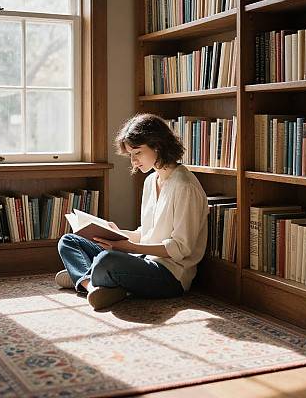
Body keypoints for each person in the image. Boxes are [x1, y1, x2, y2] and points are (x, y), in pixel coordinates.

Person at [56, 113, 209, 311]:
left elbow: (181, 249)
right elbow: (145, 234)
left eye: (137, 152)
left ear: (158, 145)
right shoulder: (150, 181)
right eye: (130, 155)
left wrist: (128, 248)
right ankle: (93, 284)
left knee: (107, 260)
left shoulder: (185, 186)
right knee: (69, 241)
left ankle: (87, 275)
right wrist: (117, 234)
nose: (133, 161)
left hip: (170, 275)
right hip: (141, 260)